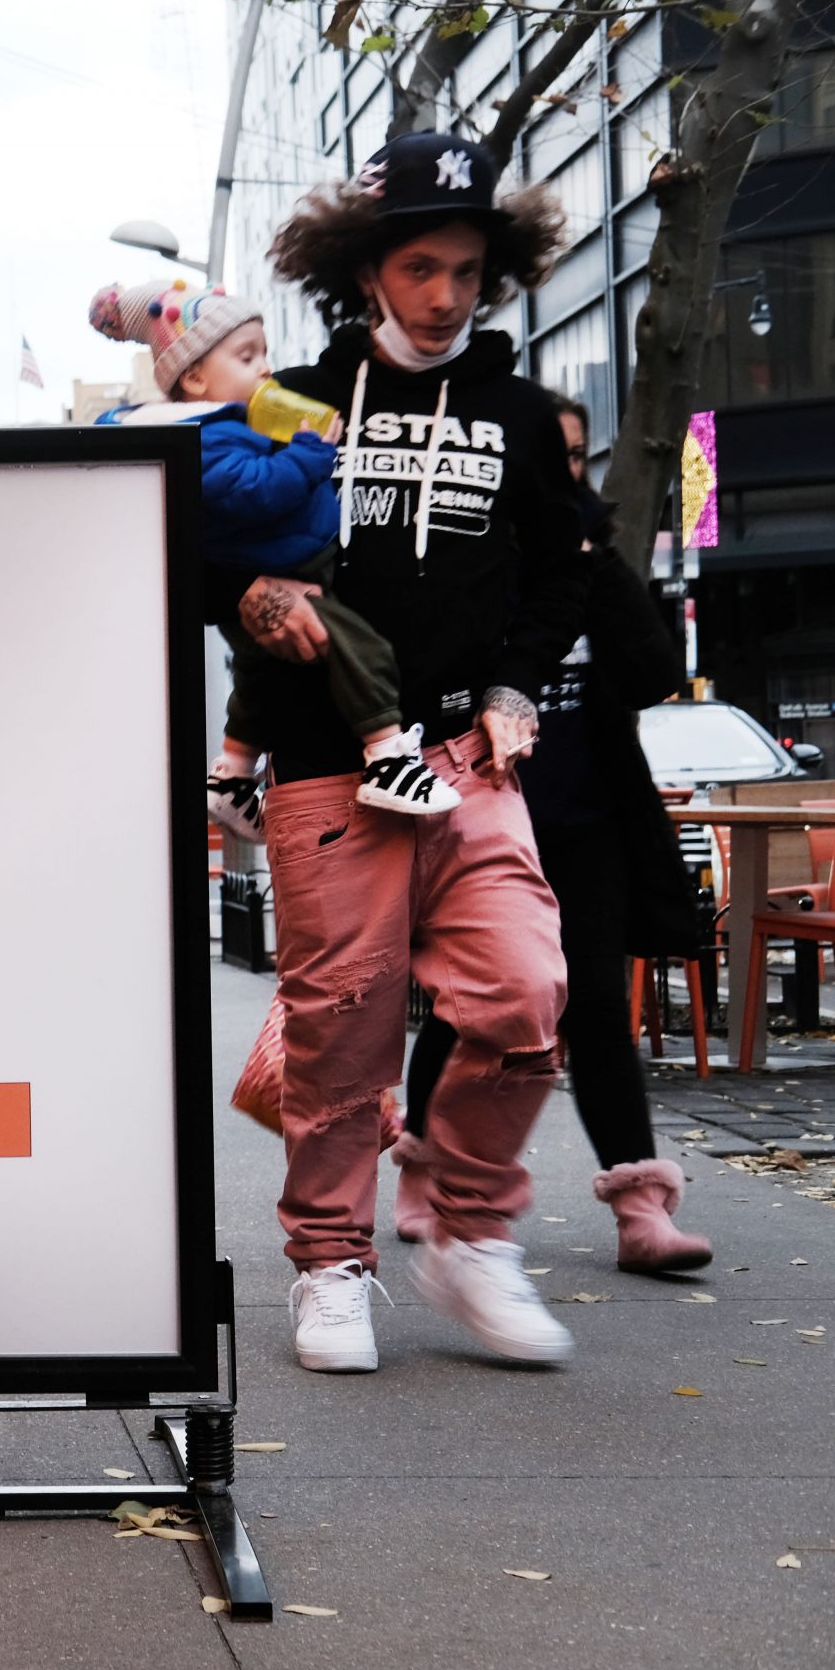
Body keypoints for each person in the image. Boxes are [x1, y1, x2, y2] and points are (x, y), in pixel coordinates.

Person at [245, 131, 590, 1373]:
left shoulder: (517, 412)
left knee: (525, 993)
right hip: (325, 764)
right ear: (366, 272)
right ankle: (331, 1263)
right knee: (342, 1030)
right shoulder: (293, 398)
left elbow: (562, 577)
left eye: (466, 271)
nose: (446, 296)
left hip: (464, 760)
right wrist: (245, 601)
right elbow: (217, 543)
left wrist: (513, 683)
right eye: (419, 268)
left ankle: (472, 1235)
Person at [395, 396, 713, 1273]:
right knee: (469, 1009)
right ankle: (425, 1167)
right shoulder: (471, 561)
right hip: (484, 821)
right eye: (552, 454)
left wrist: (592, 568)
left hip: (586, 824)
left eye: (576, 456)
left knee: (600, 1007)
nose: (565, 471)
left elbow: (653, 673)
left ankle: (641, 1207)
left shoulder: (591, 562)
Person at [91, 278, 459, 841]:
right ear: (194, 378)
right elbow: (258, 490)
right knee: (363, 652)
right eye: (246, 357)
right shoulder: (204, 439)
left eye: (265, 353)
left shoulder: (224, 428)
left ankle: (233, 775)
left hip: (283, 565)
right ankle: (387, 757)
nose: (266, 369)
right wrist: (311, 452)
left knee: (261, 681)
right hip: (287, 572)